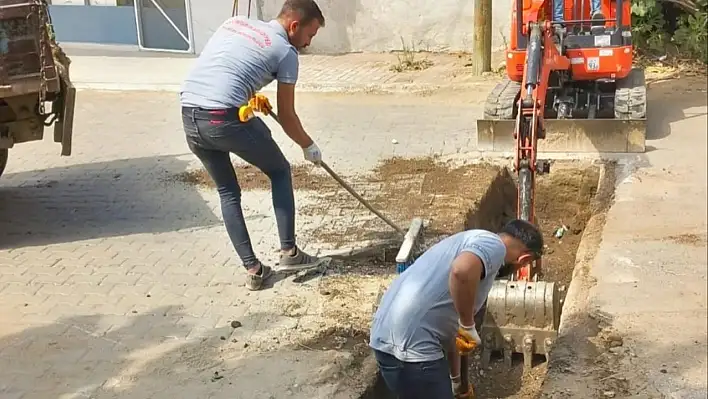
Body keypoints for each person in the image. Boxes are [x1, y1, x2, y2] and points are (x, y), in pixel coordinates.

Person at [179, 0, 328, 291]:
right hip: (223, 117)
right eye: (309, 35)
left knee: (227, 191)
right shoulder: (286, 52)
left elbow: (225, 65)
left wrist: (247, 95)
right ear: (294, 26)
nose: (308, 43)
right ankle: (290, 253)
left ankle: (255, 270)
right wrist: (308, 146)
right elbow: (287, 115)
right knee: (280, 171)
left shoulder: (234, 22)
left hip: (189, 113)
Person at [369, 219, 544, 398]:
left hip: (384, 343)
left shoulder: (466, 242)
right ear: (525, 258)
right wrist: (468, 324)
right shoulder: (494, 246)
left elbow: (456, 336)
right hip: (414, 351)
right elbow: (461, 271)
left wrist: (458, 383)